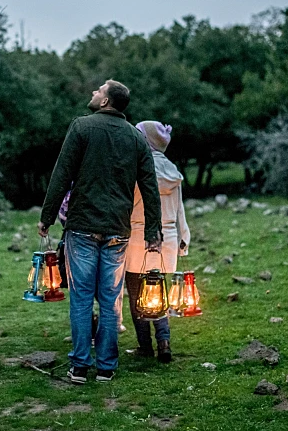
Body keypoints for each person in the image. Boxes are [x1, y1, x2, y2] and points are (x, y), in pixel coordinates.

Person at [38, 80, 162, 385]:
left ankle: (80, 367)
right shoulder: (136, 138)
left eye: (98, 90)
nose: (93, 92)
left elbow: (62, 172)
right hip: (118, 229)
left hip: (82, 226)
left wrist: (47, 216)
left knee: (81, 298)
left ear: (106, 101)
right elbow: (149, 187)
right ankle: (106, 367)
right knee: (110, 299)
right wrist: (152, 230)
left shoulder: (81, 127)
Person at [124, 121, 191, 364]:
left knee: (136, 295)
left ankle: (145, 346)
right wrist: (184, 238)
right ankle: (164, 342)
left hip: (138, 237)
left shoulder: (136, 168)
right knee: (158, 291)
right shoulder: (173, 170)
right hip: (169, 238)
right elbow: (180, 209)